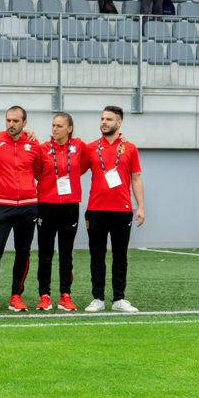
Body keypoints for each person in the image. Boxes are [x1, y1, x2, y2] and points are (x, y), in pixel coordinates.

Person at [0, 106, 44, 313]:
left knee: (23, 251)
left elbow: (40, 172)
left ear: (25, 123)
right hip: (2, 205)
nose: (11, 125)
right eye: (8, 120)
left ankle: (16, 295)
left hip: (28, 206)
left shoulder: (33, 144)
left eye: (16, 121)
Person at [84, 106, 145, 313]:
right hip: (96, 210)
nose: (104, 122)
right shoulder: (90, 148)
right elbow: (73, 169)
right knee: (96, 255)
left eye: (109, 119)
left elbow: (136, 178)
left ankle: (119, 298)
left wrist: (141, 207)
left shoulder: (130, 148)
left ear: (119, 123)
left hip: (122, 210)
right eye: (102, 118)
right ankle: (97, 298)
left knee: (120, 256)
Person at [35, 113, 89, 312]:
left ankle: (65, 295)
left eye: (59, 126)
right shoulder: (42, 149)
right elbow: (37, 172)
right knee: (45, 254)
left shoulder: (79, 146)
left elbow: (84, 165)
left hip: (70, 206)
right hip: (46, 205)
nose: (55, 129)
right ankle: (44, 295)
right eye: (53, 125)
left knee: (66, 253)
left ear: (70, 128)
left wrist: (123, 138)